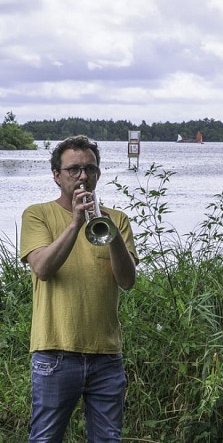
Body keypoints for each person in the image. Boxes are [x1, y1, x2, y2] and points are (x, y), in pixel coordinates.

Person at [20, 135, 138, 442]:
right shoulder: (37, 214)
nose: (83, 176)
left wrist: (105, 226)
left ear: (98, 173)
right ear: (57, 175)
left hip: (107, 356)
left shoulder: (118, 220)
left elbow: (127, 281)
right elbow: (43, 268)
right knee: (45, 438)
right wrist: (75, 223)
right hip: (55, 354)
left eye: (89, 168)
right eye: (73, 169)